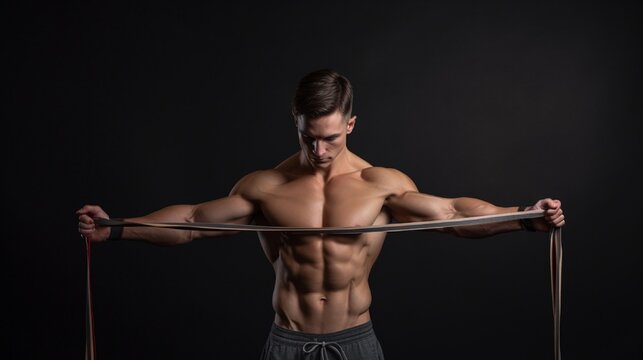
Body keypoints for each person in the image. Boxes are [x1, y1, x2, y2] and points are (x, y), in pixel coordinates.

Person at [77, 69, 565, 360]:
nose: (319, 148)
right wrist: (115, 229)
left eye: (331, 137)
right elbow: (188, 224)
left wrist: (525, 216)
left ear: (350, 124)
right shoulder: (265, 187)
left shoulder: (380, 186)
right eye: (308, 136)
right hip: (287, 343)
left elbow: (456, 213)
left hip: (355, 342)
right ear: (296, 123)